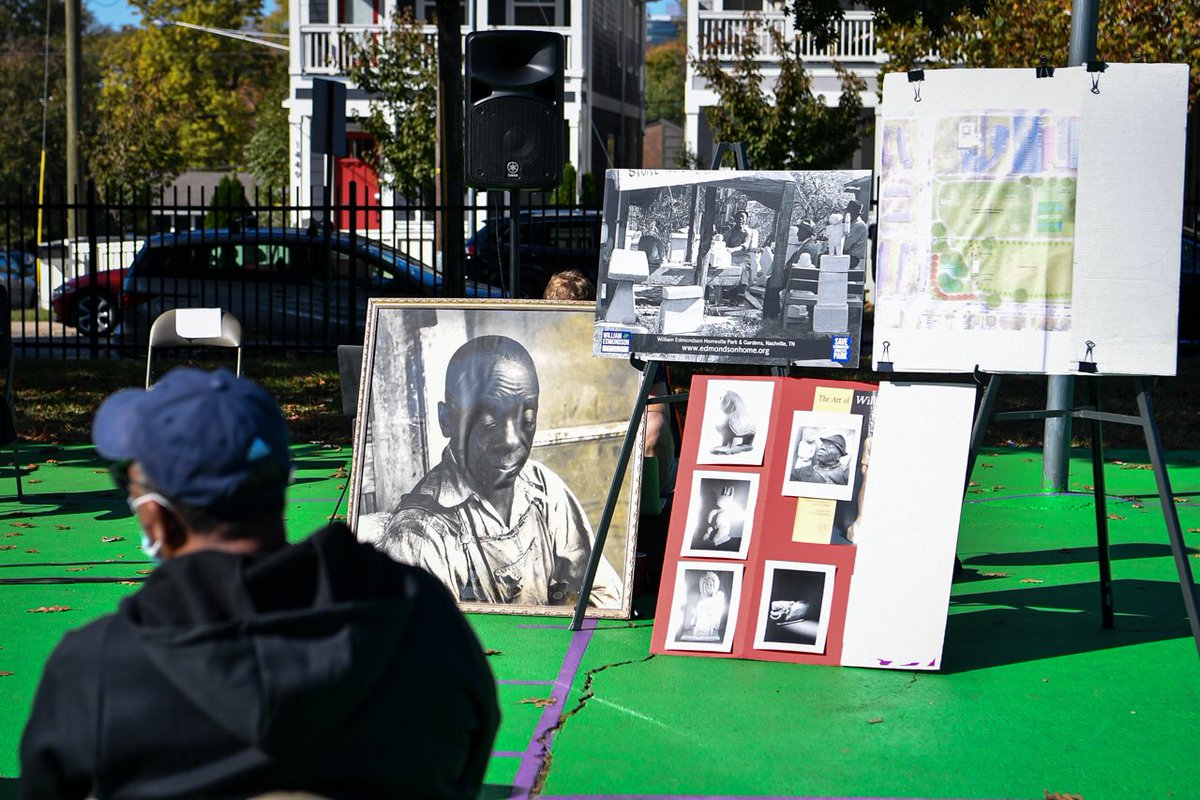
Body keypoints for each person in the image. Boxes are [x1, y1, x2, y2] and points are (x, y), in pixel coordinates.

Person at [19, 367, 500, 799]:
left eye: (129, 482)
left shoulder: (95, 672)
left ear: (154, 517)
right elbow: (469, 758)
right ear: (282, 480)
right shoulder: (422, 620)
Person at [379, 335, 621, 607]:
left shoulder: (541, 486)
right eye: (489, 423)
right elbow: (433, 641)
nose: (512, 440)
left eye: (527, 419)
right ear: (446, 420)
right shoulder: (418, 535)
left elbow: (605, 596)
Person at [843, 199, 869, 270]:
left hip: (853, 259)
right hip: (848, 256)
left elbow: (846, 245)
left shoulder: (859, 225)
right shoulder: (852, 224)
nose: (845, 214)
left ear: (853, 214)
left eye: (847, 212)